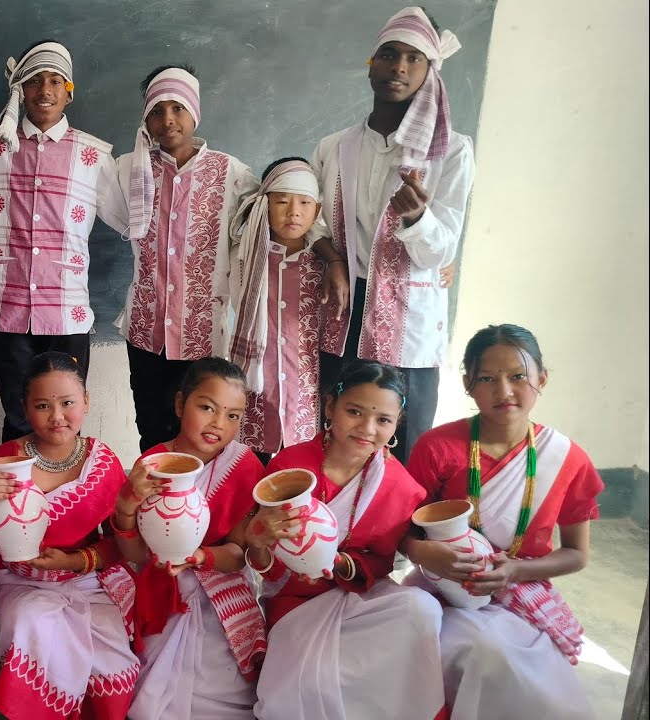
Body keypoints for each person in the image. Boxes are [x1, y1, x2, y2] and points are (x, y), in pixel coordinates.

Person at [405, 324, 602, 719]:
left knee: (532, 685)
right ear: (467, 384)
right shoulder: (437, 447)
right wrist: (430, 556)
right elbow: (403, 535)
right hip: (444, 589)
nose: (504, 391)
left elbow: (576, 556)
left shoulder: (566, 458)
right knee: (470, 652)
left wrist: (513, 572)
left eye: (518, 377)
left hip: (522, 591)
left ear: (542, 379)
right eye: (487, 378)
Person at [310, 7, 475, 464]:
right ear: (371, 64)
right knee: (337, 433)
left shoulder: (451, 152)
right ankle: (330, 531)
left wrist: (418, 218)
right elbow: (314, 219)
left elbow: (441, 249)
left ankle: (394, 533)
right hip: (345, 308)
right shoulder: (333, 147)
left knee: (405, 442)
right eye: (388, 55)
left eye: (413, 58)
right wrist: (334, 259)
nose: (399, 67)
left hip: (409, 319)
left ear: (429, 71)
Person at [245, 360, 445, 720]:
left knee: (422, 608)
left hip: (358, 595)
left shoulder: (400, 486)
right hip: (295, 599)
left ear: (396, 424)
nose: (367, 428)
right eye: (355, 411)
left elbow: (381, 561)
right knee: (312, 678)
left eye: (383, 420)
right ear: (329, 406)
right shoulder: (288, 468)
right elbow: (266, 565)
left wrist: (338, 563)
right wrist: (258, 542)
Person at [0, 39, 126, 442]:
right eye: (33, 81)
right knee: (18, 418)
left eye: (54, 81)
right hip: (7, 310)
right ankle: (18, 503)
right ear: (20, 90)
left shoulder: (92, 155)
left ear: (68, 90)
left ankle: (63, 501)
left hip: (68, 313)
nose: (44, 91)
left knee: (65, 423)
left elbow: (126, 221)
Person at [0, 352, 139, 719]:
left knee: (110, 668)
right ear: (25, 408)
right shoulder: (5, 461)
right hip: (22, 581)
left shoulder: (103, 465)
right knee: (32, 623)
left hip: (89, 578)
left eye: (67, 403)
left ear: (86, 403)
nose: (57, 416)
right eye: (42, 405)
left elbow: (118, 544)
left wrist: (75, 560)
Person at [112, 358, 267, 719]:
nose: (218, 424)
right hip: (160, 584)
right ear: (181, 404)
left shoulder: (245, 467)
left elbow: (237, 554)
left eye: (233, 415)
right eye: (207, 408)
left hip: (220, 583)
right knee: (153, 683)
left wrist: (200, 559)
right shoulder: (153, 464)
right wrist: (126, 505)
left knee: (223, 682)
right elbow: (135, 553)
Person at [116, 65, 259, 452]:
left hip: (204, 336)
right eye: (157, 110)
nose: (167, 120)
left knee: (204, 437)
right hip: (146, 334)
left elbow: (271, 222)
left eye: (177, 108)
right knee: (152, 430)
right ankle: (156, 508)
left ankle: (197, 510)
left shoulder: (232, 173)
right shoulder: (129, 169)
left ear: (194, 111)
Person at [230, 157, 326, 462]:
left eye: (304, 203)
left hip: (307, 389)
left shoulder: (326, 264)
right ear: (263, 206)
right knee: (250, 468)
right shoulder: (243, 257)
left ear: (317, 210)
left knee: (300, 469)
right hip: (257, 383)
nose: (294, 212)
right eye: (282, 201)